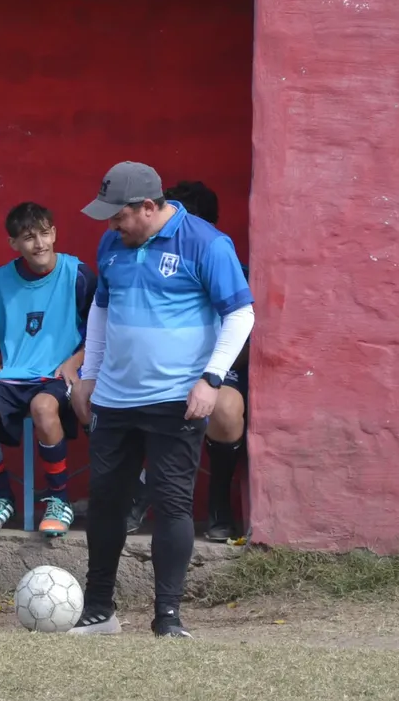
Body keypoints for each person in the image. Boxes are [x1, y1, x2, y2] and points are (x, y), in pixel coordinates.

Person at [70, 161, 254, 638]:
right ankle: (98, 611)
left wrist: (211, 380)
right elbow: (102, 309)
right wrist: (89, 375)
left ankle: (167, 618)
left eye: (118, 216)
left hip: (177, 399)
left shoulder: (206, 243)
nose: (110, 227)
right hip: (114, 398)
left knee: (172, 506)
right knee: (107, 504)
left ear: (148, 208)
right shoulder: (114, 244)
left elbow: (240, 314)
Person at [126, 181, 251, 542]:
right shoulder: (142, 256)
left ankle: (218, 504)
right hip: (158, 369)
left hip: (214, 370)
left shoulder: (223, 259)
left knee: (225, 410)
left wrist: (210, 375)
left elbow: (242, 330)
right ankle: (135, 490)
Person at [0, 202, 96, 537]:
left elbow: (100, 331)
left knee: (43, 406)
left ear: (55, 233)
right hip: (14, 374)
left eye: (45, 233)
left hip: (57, 373)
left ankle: (59, 500)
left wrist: (75, 360)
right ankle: (2, 497)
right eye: (28, 237)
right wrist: (0, 364)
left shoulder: (78, 275)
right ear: (14, 244)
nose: (39, 243)